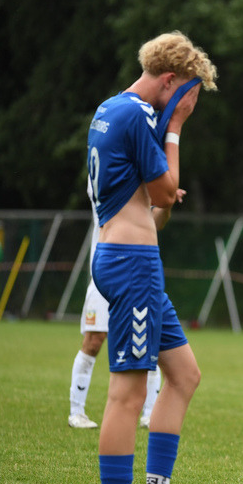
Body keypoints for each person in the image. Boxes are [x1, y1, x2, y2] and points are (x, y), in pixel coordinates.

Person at [87, 31, 217, 484]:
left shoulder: (108, 108)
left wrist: (159, 191)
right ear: (170, 82)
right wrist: (176, 130)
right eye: (189, 97)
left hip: (132, 257)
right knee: (128, 393)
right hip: (131, 263)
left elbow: (152, 207)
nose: (189, 107)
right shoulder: (140, 115)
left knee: (183, 375)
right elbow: (164, 191)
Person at [69, 184, 160, 430]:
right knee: (94, 341)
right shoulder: (107, 167)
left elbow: (155, 220)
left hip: (138, 276)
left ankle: (151, 413)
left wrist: (166, 203)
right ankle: (76, 411)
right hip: (104, 274)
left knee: (150, 343)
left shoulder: (144, 175)